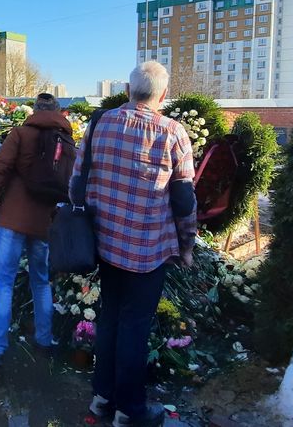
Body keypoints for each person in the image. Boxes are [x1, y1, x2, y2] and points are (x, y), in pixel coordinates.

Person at [72, 62, 197, 427]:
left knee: (109, 319)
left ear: (129, 90)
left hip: (105, 245)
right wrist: (186, 245)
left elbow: (77, 182)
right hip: (146, 252)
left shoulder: (99, 124)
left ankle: (101, 399)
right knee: (134, 327)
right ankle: (129, 410)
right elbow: (184, 200)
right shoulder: (173, 132)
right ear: (162, 95)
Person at [0, 93, 73, 376]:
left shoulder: (20, 133)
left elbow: (1, 168)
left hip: (12, 219)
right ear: (57, 112)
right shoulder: (66, 140)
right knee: (41, 282)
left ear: (34, 110)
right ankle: (44, 341)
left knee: (3, 284)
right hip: (45, 221)